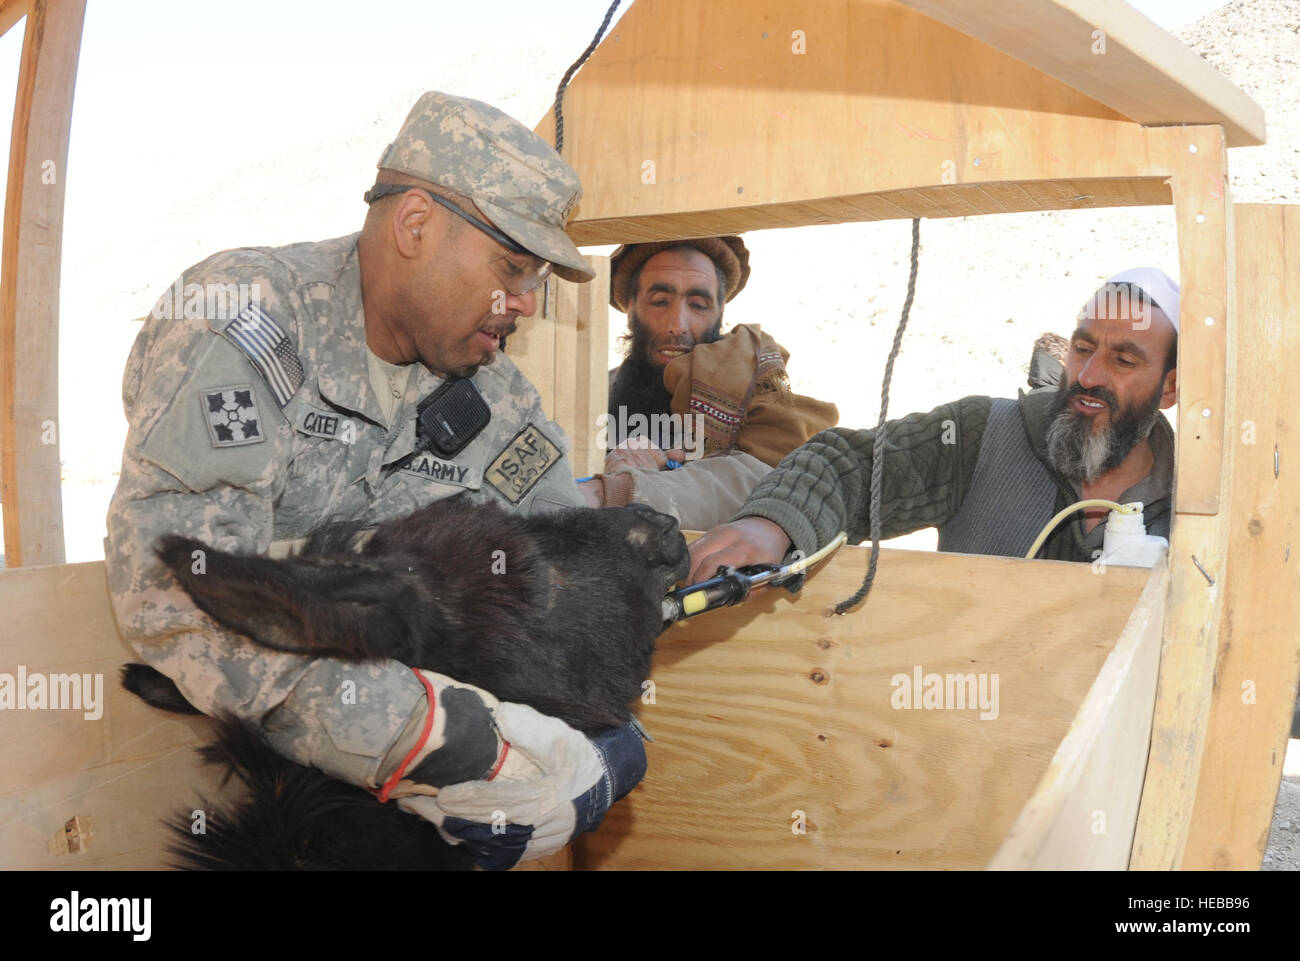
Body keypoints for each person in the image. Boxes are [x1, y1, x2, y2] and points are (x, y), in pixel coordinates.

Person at [105, 91, 644, 870]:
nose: (525, 302)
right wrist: (420, 736)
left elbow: (557, 563)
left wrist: (596, 726)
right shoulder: (245, 317)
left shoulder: (495, 395)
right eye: (513, 266)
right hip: (250, 781)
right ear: (416, 225)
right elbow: (174, 584)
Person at [687, 268, 1180, 581]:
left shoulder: (1195, 505)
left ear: (1172, 388)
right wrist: (773, 524)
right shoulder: (981, 434)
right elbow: (852, 465)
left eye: (1124, 361)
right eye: (1083, 348)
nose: (1088, 376)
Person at [582, 236, 838, 529]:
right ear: (630, 309)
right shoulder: (584, 398)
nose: (677, 325)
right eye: (660, 302)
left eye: (698, 305)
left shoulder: (755, 401)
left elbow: (787, 497)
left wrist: (661, 472)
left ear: (720, 314)